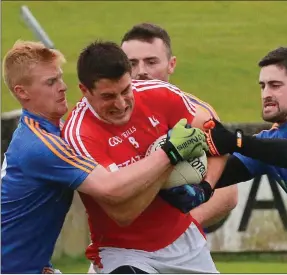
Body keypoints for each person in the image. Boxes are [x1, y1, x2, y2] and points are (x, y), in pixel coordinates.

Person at [1, 40, 208, 274]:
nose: (62, 87)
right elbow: (110, 188)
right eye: (50, 82)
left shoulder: (43, 134)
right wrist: (170, 152)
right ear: (22, 92)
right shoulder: (41, 145)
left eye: (59, 77)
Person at [62, 40, 225, 273]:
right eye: (108, 96)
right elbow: (123, 213)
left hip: (185, 243)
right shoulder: (78, 135)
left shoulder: (159, 94)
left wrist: (206, 187)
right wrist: (170, 156)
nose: (120, 104)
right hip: (123, 253)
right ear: (84, 90)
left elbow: (221, 140)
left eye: (126, 90)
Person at [204, 46, 287, 274]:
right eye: (263, 86)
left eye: (275, 85)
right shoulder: (269, 141)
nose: (266, 93)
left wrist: (236, 141)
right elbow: (217, 175)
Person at [120, 22, 238, 228]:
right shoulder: (108, 117)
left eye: (151, 62)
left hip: (179, 245)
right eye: (131, 63)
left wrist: (180, 229)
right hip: (118, 242)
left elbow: (228, 193)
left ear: (171, 64)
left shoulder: (198, 114)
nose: (141, 72)